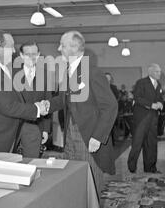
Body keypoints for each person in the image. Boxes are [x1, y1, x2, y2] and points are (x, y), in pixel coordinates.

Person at [47, 30, 118, 196]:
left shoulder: (92, 72)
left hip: (88, 137)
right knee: (75, 182)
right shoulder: (68, 71)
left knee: (90, 187)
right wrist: (44, 105)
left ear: (74, 47)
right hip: (70, 136)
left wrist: (98, 137)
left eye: (62, 45)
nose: (59, 48)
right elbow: (62, 100)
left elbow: (110, 106)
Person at [0, 30, 48, 156]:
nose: (14, 51)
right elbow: (7, 106)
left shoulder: (0, 69)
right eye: (11, 47)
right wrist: (37, 109)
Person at [14, 42, 52, 158]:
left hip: (36, 126)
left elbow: (48, 103)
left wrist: (46, 129)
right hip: (14, 126)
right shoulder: (11, 74)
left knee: (32, 162)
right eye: (27, 54)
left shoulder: (46, 76)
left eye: (34, 54)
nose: (31, 57)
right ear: (21, 55)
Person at [127, 63, 164, 174]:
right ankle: (132, 167)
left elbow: (160, 98)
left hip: (153, 118)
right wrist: (151, 104)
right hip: (141, 118)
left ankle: (150, 168)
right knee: (137, 144)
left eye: (160, 71)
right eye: (157, 71)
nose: (159, 73)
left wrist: (160, 103)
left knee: (151, 144)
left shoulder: (159, 84)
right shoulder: (141, 82)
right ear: (150, 72)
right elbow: (137, 98)